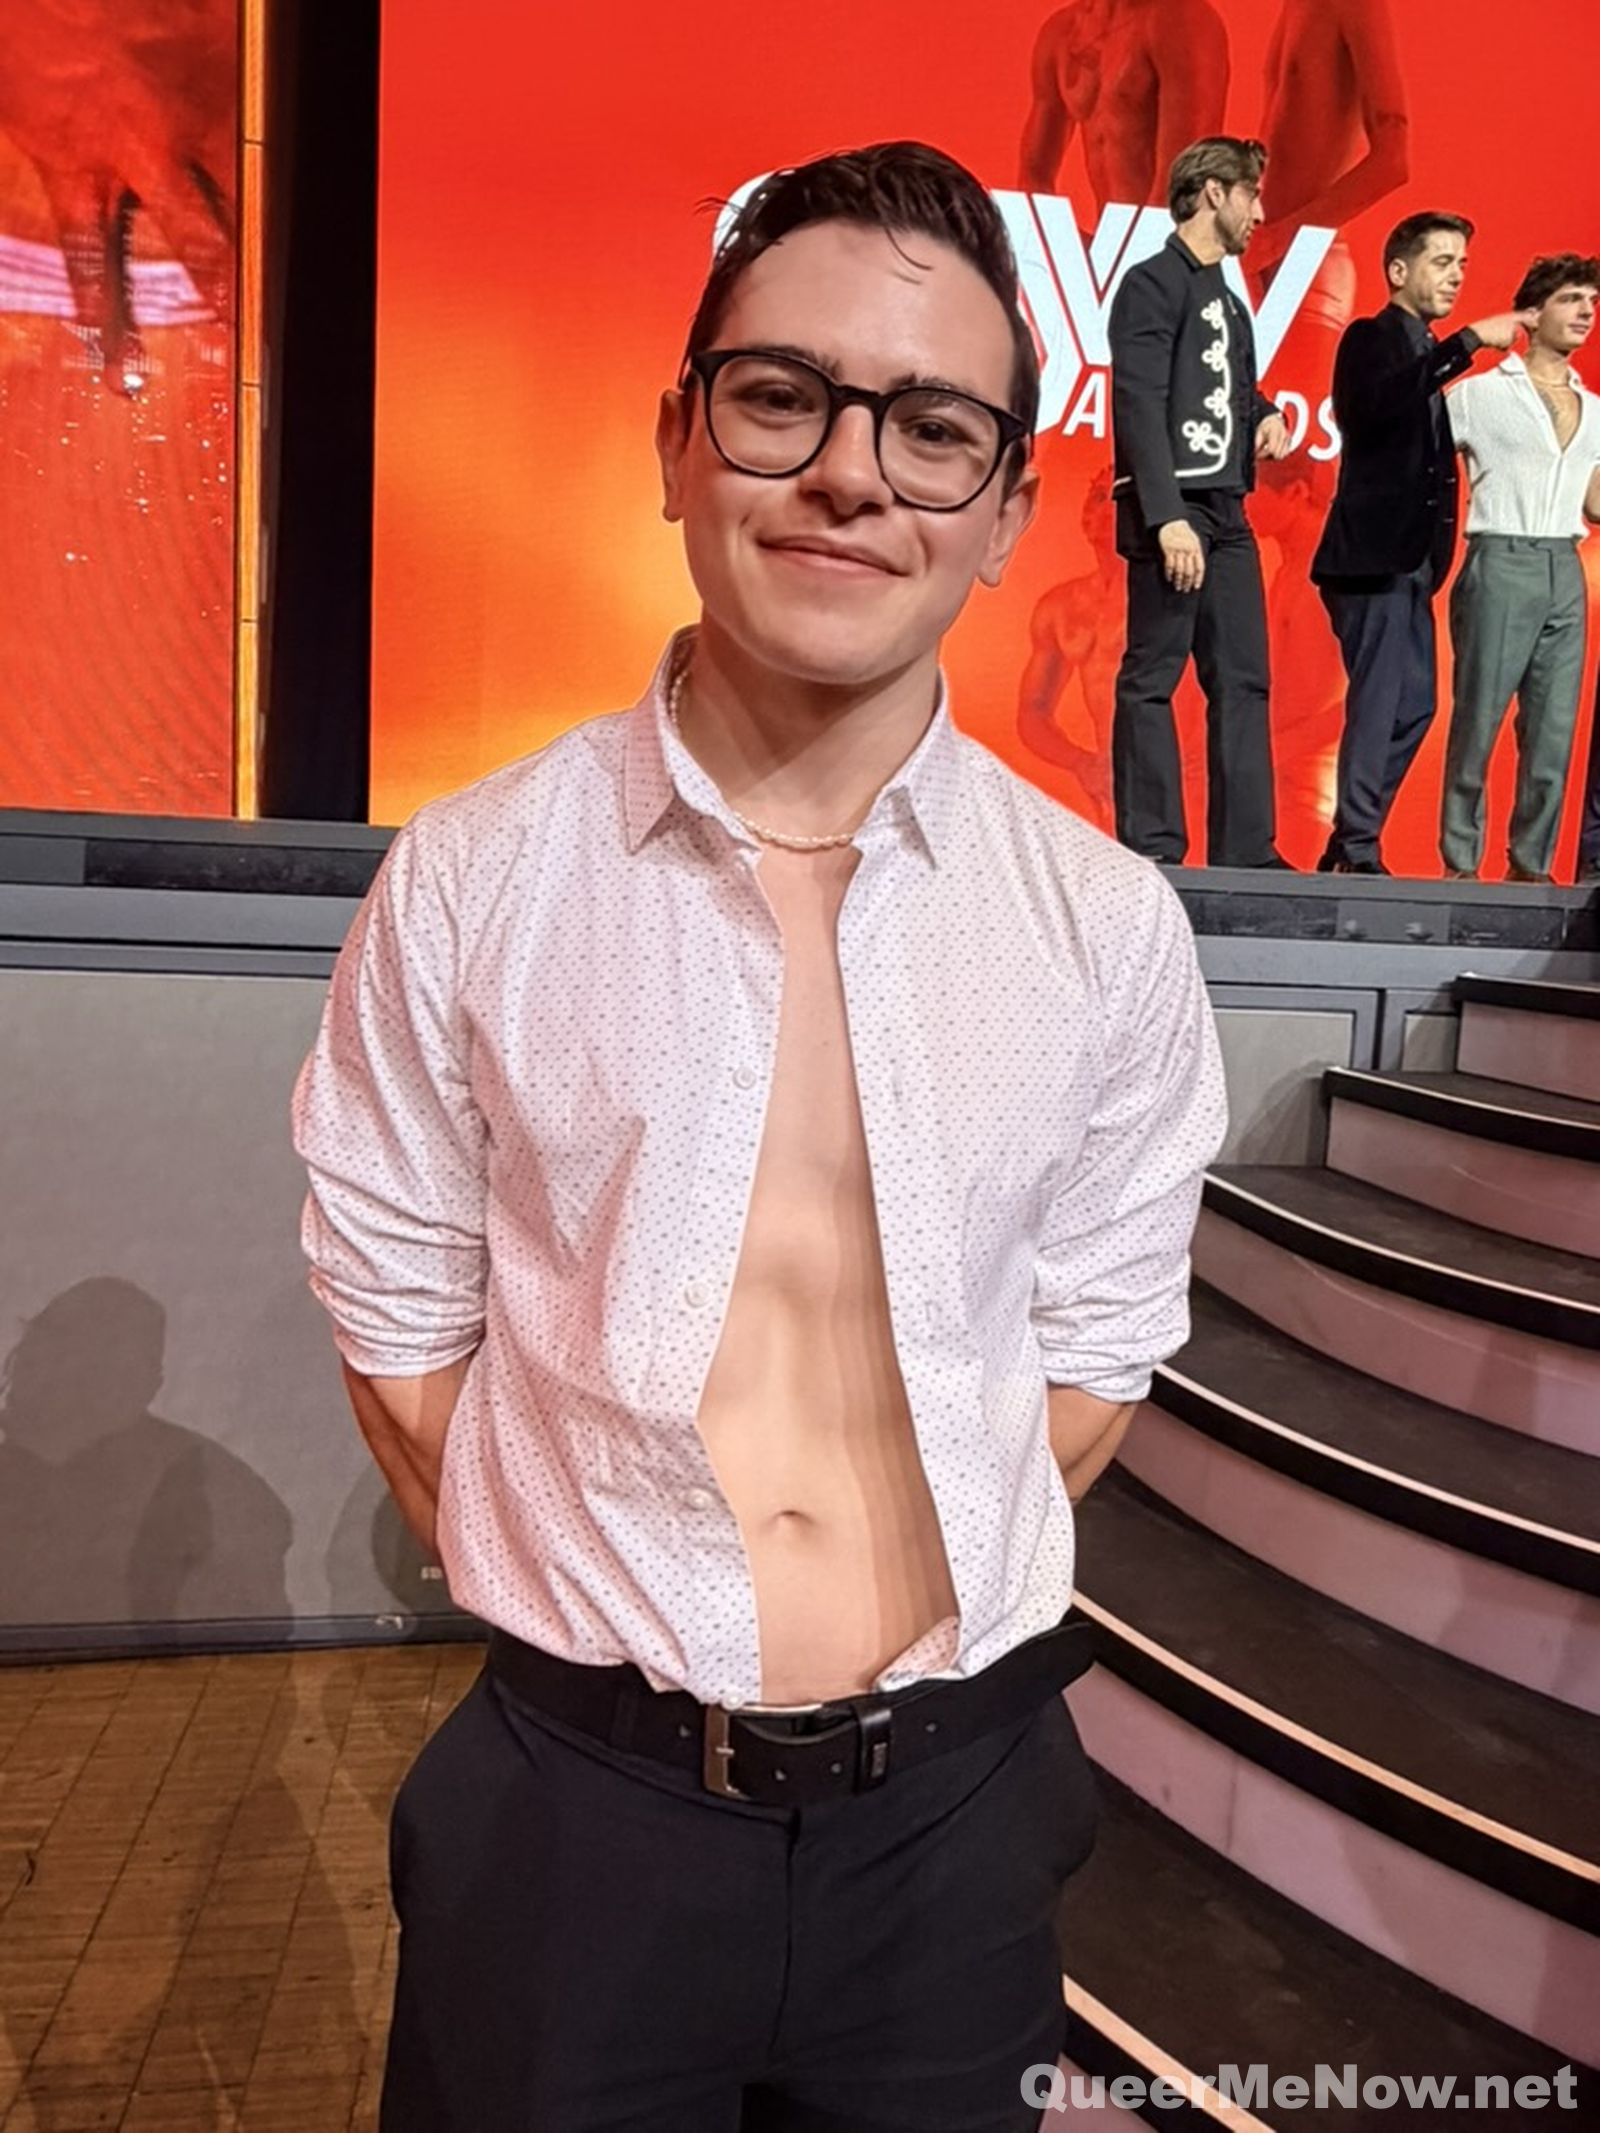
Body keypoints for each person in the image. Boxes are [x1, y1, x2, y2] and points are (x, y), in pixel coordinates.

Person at [293, 141, 1227, 2133]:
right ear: (676, 442)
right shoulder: (470, 878)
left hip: (957, 1824)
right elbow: (398, 1322)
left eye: (933, 428)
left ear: (1008, 509)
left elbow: (1091, 1349)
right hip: (574, 1818)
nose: (850, 474)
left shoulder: (1103, 925)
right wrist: (621, 1603)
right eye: (783, 396)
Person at [1311, 214, 1535, 874]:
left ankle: (1349, 839)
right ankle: (1357, 844)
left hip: (1411, 566)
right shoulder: (1371, 338)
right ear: (1398, 271)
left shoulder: (1425, 350)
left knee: (1414, 706)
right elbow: (1373, 409)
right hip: (1371, 561)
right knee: (1380, 702)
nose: (1457, 275)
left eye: (1462, 263)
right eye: (1442, 261)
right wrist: (1468, 342)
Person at [1107, 134, 1292, 868]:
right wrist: (1166, 517)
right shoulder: (1152, 283)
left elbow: (1231, 384)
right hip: (1175, 509)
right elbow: (1138, 402)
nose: (1259, 213)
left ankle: (1248, 851)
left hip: (1228, 511)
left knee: (1244, 677)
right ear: (1214, 192)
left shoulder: (1228, 299)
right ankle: (1153, 848)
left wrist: (1266, 411)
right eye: (1251, 195)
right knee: (1153, 676)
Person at [1438, 255, 1600, 883]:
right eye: (1571, 299)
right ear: (1532, 313)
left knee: (1553, 730)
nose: (1586, 311)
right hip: (1500, 558)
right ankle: (1460, 865)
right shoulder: (1480, 394)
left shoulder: (1594, 408)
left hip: (1564, 566)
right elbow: (1415, 458)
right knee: (1478, 719)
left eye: (1592, 301)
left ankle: (1530, 867)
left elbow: (1592, 503)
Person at [1019, 0, 1229, 211]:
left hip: (1173, 227)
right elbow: (1034, 173)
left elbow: (1184, 179)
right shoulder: (1061, 33)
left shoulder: (1182, 19)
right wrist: (1052, 230)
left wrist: (1146, 232)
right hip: (1113, 228)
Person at [1016, 467, 1121, 828]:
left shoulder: (1176, 601)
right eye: (1098, 497)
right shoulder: (1061, 607)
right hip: (1110, 791)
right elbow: (1032, 712)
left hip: (1188, 782)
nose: (1105, 509)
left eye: (1119, 497)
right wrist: (1081, 763)